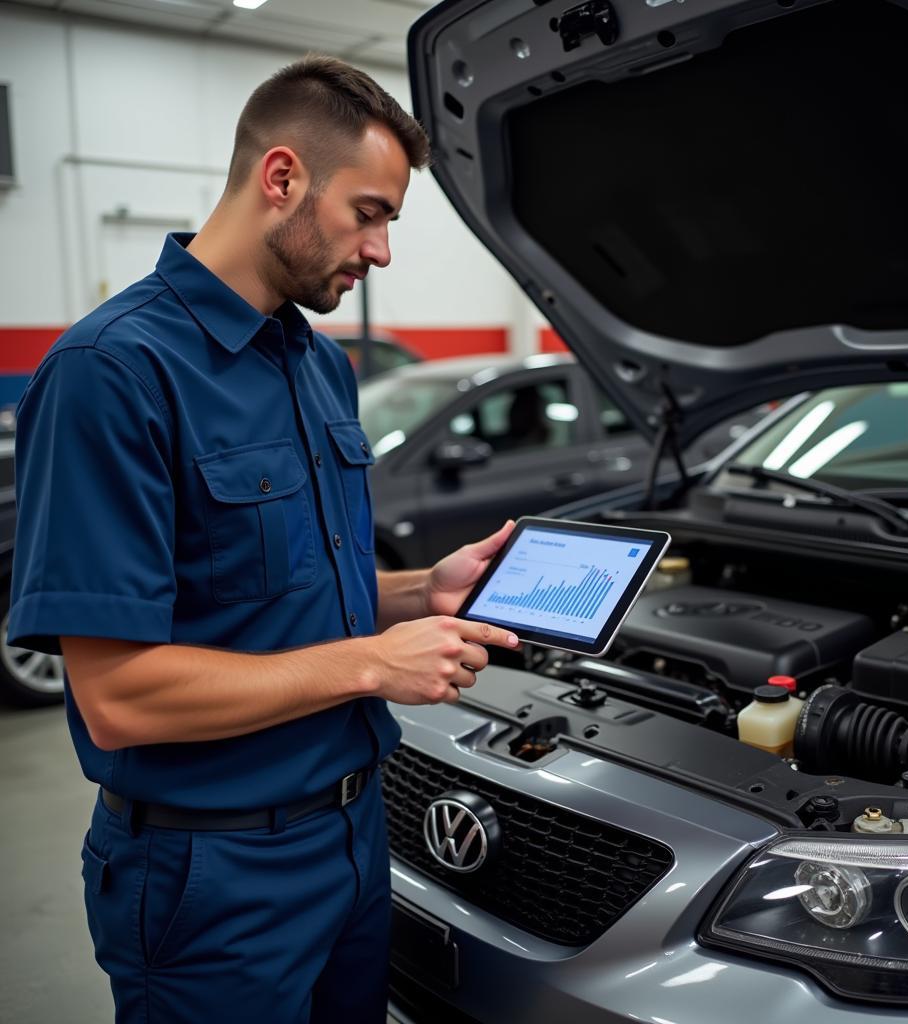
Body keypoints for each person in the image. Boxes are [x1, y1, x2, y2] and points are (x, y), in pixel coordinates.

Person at [9, 55, 519, 1024]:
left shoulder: (317, 366)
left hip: (355, 840)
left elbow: (295, 589)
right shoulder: (112, 373)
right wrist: (371, 664)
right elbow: (116, 697)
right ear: (281, 177)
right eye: (368, 212)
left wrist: (418, 593)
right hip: (213, 873)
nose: (380, 252)